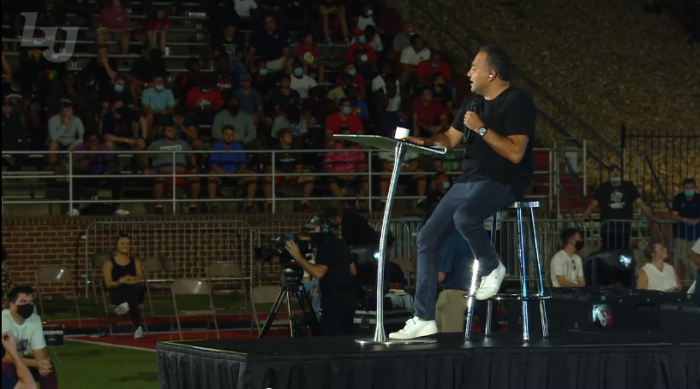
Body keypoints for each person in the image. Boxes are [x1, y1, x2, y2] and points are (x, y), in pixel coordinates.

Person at [389, 45, 536, 340]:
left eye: (474, 68)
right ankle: (423, 317)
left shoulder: (517, 101)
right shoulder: (472, 101)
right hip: (470, 178)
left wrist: (481, 129)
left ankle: (492, 266)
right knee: (427, 236)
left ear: (491, 73)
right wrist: (421, 142)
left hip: (505, 179)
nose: (468, 73)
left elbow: (516, 152)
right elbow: (449, 140)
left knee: (466, 216)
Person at [284, 216, 357, 336]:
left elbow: (318, 272)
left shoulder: (325, 247)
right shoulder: (340, 243)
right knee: (345, 337)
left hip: (334, 302)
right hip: (348, 298)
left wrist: (297, 256)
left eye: (314, 230)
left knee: (331, 339)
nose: (312, 233)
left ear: (324, 229)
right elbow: (353, 270)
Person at [578, 164, 656, 249]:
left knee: (623, 249)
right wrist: (582, 218)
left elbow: (641, 203)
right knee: (607, 248)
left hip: (624, 226)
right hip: (608, 226)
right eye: (613, 171)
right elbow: (592, 205)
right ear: (609, 174)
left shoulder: (628, 186)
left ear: (621, 173)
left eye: (617, 171)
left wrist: (650, 217)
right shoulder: (603, 187)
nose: (615, 173)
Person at [1, 286, 57, 389]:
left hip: (20, 361)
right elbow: (5, 357)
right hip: (6, 362)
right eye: (23, 302)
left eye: (31, 302)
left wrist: (42, 363)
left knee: (49, 368)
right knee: (8, 368)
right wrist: (35, 363)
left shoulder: (35, 319)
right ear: (12, 305)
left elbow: (39, 351)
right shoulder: (3, 319)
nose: (28, 305)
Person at [145, 126, 200, 214]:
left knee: (195, 178)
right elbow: (145, 155)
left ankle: (193, 205)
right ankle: (158, 206)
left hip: (181, 172)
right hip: (163, 172)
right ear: (164, 133)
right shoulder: (156, 144)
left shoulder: (183, 143)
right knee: (159, 178)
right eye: (169, 130)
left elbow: (192, 155)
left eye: (173, 130)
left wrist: (193, 166)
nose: (172, 132)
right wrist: (146, 168)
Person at [101, 234, 146, 338]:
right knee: (132, 298)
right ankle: (137, 327)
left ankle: (126, 305)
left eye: (128, 244)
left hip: (136, 291)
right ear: (116, 245)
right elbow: (108, 284)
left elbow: (140, 278)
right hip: (118, 293)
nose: (125, 246)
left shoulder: (135, 261)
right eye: (122, 243)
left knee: (137, 287)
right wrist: (120, 281)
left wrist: (130, 278)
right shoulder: (109, 263)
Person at [208, 125, 257, 213]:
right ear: (222, 135)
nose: (229, 136)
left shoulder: (239, 147)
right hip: (221, 176)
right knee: (211, 176)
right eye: (227, 134)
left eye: (231, 134)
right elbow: (214, 166)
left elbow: (243, 165)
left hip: (236, 175)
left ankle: (249, 206)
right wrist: (226, 174)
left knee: (252, 176)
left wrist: (238, 173)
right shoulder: (216, 146)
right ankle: (214, 206)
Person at [671, 178, 699, 281]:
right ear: (683, 189)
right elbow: (674, 215)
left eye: (691, 187)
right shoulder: (678, 198)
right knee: (681, 256)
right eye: (686, 188)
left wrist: (696, 220)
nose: (689, 190)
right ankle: (696, 278)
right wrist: (685, 220)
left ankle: (690, 282)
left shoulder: (699, 198)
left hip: (695, 233)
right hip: (680, 233)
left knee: (693, 257)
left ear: (695, 188)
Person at [47, 101, 85, 171]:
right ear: (61, 112)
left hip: (71, 144)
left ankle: (75, 172)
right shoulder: (53, 120)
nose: (71, 111)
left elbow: (83, 136)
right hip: (58, 144)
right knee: (52, 144)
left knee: (80, 145)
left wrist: (74, 144)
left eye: (71, 109)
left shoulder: (76, 119)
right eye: (68, 110)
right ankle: (52, 171)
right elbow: (53, 138)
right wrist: (64, 125)